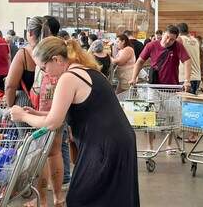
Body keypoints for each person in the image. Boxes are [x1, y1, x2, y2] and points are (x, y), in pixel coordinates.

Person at [10, 36, 140, 207]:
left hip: (105, 145)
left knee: (82, 197)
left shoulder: (68, 78)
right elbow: (64, 113)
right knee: (112, 198)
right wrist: (37, 113)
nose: (44, 73)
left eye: (44, 67)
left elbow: (53, 123)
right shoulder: (87, 70)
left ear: (56, 59)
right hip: (118, 141)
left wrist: (23, 116)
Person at [27, 16, 68, 207]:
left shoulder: (34, 52)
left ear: (30, 33)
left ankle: (42, 201)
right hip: (59, 103)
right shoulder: (60, 49)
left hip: (44, 104)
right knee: (55, 152)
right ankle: (58, 197)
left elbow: (11, 83)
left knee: (41, 153)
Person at [129, 25, 191, 152]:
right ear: (163, 34)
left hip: (172, 89)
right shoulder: (151, 46)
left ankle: (169, 145)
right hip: (154, 87)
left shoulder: (178, 46)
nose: (168, 41)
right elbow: (140, 61)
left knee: (172, 118)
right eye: (167, 37)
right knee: (151, 116)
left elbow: (187, 61)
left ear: (176, 40)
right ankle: (150, 146)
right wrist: (133, 77)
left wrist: (187, 80)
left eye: (172, 39)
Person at [177, 23, 201, 143]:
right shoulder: (195, 40)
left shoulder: (180, 39)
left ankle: (192, 134)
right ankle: (193, 133)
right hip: (197, 76)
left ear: (178, 32)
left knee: (186, 107)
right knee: (193, 106)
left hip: (186, 77)